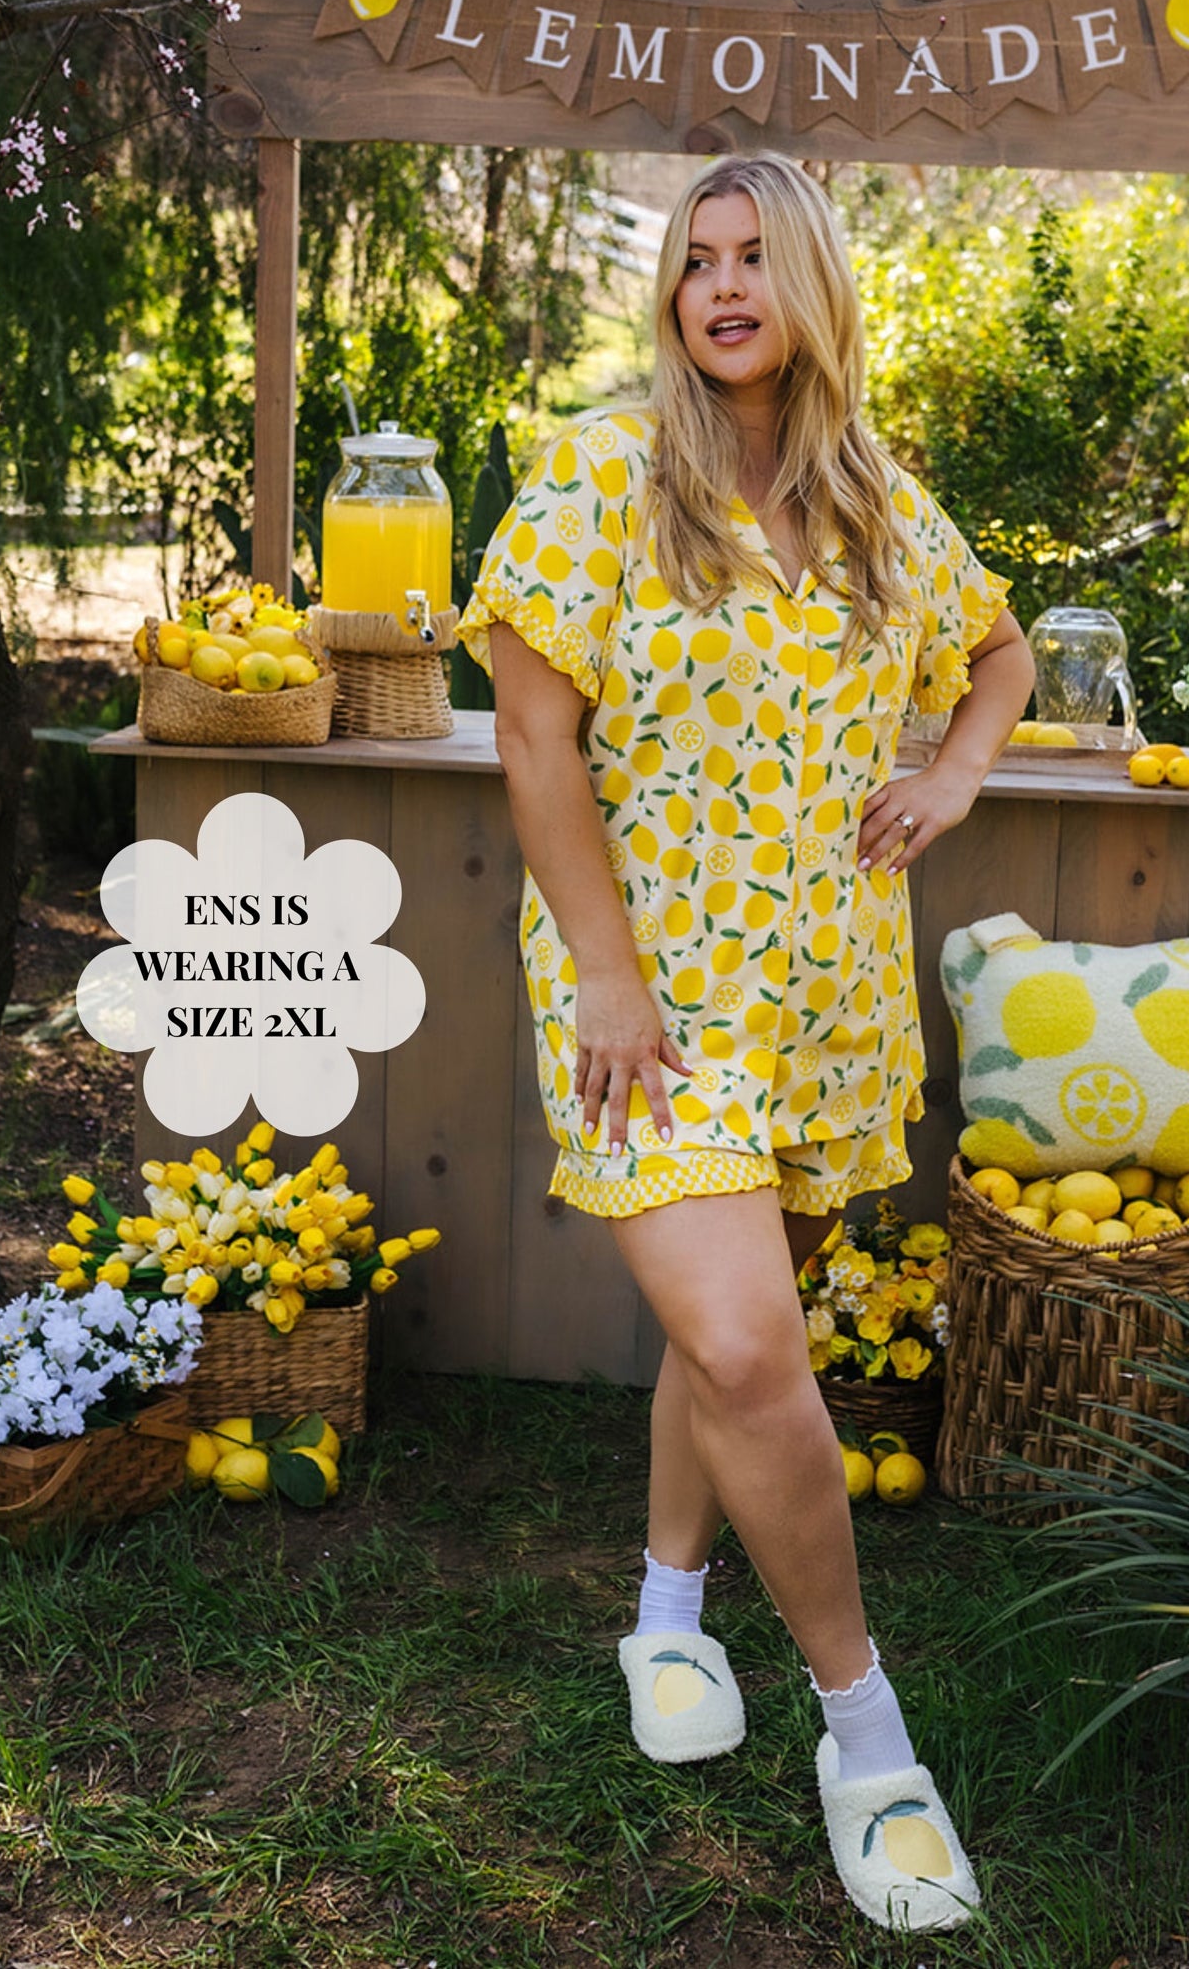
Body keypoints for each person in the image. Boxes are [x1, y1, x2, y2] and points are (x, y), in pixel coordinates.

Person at [461, 152, 1033, 1931]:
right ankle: (867, 1738)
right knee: (741, 1335)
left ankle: (664, 1617)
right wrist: (611, 975)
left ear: (809, 285)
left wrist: (948, 774)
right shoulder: (594, 477)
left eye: (753, 257)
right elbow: (537, 749)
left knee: (737, 1339)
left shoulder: (878, 507)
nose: (720, 287)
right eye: (695, 259)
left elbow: (998, 651)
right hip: (647, 997)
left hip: (825, 993)